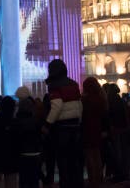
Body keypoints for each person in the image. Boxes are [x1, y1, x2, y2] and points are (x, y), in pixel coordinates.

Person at [42, 59, 83, 188]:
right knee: (74, 160)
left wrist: (47, 124)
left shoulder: (54, 86)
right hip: (75, 126)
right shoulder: (74, 84)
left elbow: (56, 106)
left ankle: (65, 184)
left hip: (61, 128)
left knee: (62, 161)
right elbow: (79, 105)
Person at [81, 77, 107, 188]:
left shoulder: (85, 100)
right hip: (98, 129)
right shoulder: (102, 98)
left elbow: (82, 115)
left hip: (87, 129)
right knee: (97, 154)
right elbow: (104, 115)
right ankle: (99, 177)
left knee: (89, 155)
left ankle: (93, 179)